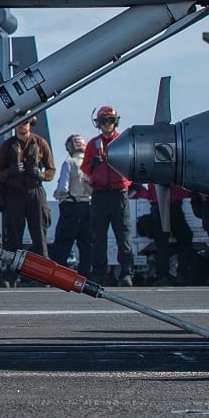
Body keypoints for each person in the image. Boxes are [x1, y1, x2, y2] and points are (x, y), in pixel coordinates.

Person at [0, 117, 54, 277]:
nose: (22, 125)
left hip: (35, 192)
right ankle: (10, 276)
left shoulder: (40, 143)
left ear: (30, 123)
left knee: (39, 235)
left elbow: (51, 170)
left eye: (25, 122)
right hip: (14, 193)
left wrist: (41, 175)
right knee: (13, 237)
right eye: (19, 122)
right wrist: (9, 172)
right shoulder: (7, 146)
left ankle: (42, 276)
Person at [81, 107, 135, 286]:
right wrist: (93, 164)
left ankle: (126, 273)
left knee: (123, 237)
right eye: (103, 120)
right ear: (98, 123)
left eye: (110, 120)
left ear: (115, 122)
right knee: (98, 238)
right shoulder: (92, 144)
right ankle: (98, 274)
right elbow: (85, 169)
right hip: (100, 195)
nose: (106, 124)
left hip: (119, 193)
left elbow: (132, 165)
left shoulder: (122, 141)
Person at [131, 181, 195, 285]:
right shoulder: (176, 172)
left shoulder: (156, 175)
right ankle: (181, 273)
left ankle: (162, 276)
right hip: (173, 205)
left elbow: (149, 192)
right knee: (185, 239)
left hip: (159, 206)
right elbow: (184, 191)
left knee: (162, 244)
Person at [48, 134, 91, 269]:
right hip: (87, 206)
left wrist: (57, 194)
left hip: (70, 206)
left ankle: (58, 273)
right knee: (86, 244)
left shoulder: (69, 162)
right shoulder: (90, 163)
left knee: (63, 243)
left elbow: (63, 188)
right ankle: (86, 274)